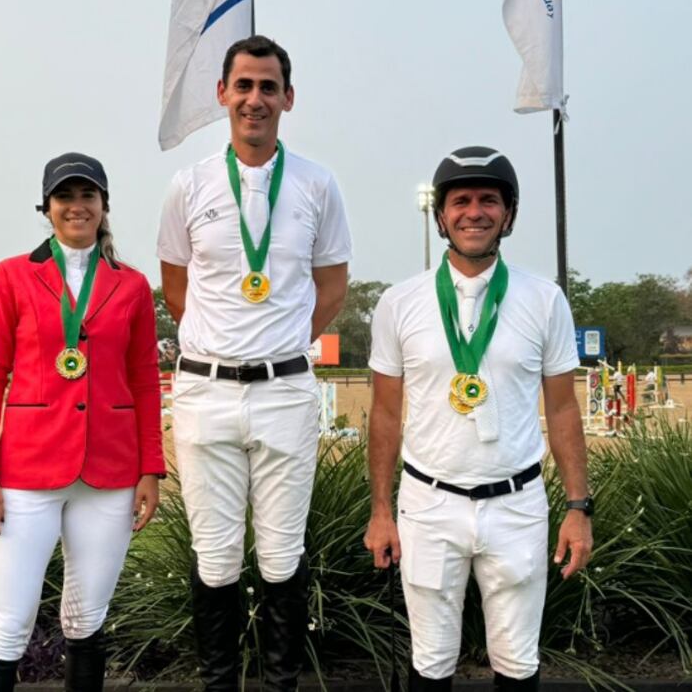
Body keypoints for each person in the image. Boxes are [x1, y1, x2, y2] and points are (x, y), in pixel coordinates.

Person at [158, 35, 351, 690]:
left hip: (285, 391)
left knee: (279, 555)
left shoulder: (318, 183)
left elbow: (333, 283)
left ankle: (280, 683)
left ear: (288, 98)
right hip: (206, 392)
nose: (255, 99)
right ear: (222, 95)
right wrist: (224, 341)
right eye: (243, 86)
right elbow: (177, 285)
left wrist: (284, 336)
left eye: (268, 87)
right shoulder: (189, 184)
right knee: (214, 559)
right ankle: (218, 682)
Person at [364, 146, 593, 691]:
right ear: (440, 215)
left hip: (516, 504)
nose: (475, 212)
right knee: (431, 663)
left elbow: (562, 407)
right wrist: (380, 510)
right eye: (460, 200)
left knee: (517, 663)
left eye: (489, 200)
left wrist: (579, 507)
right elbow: (385, 414)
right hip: (429, 504)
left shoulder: (545, 299)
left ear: (508, 214)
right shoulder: (400, 302)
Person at [0, 152, 165, 691]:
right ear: (47, 208)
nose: (77, 207)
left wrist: (152, 468)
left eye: (87, 196)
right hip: (26, 473)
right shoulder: (11, 276)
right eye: (65, 197)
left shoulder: (132, 285)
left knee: (87, 622)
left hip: (110, 474)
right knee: (8, 627)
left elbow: (146, 380)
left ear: (104, 206)